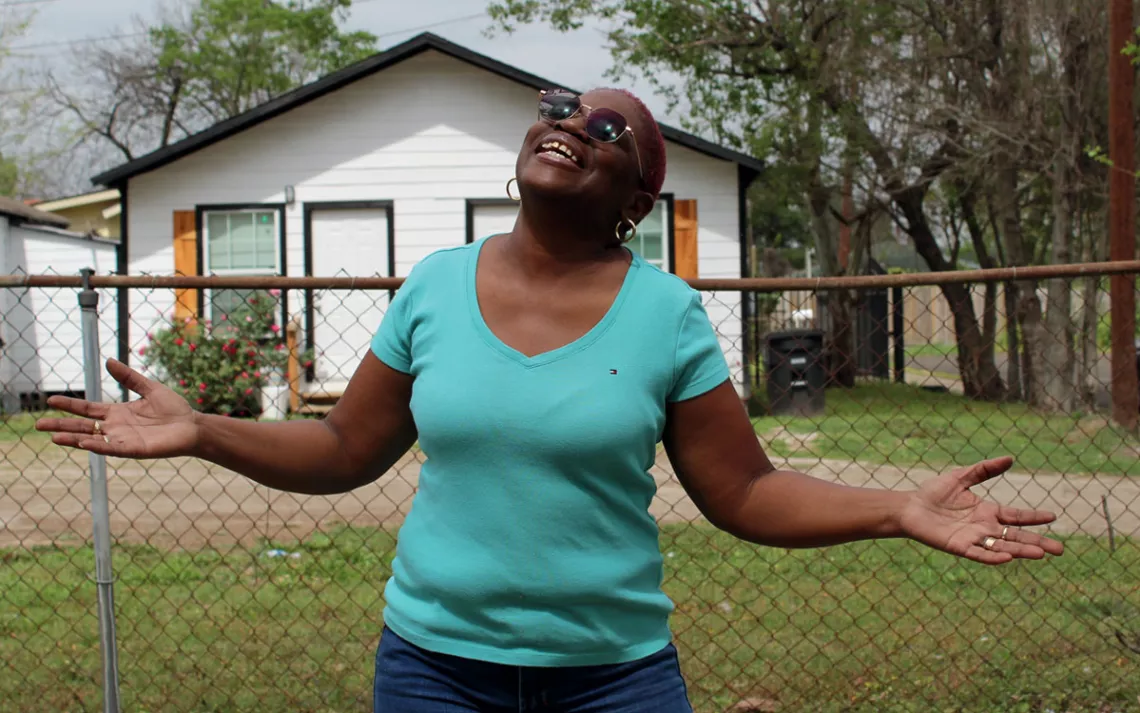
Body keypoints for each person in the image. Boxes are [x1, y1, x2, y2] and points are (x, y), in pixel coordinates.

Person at [37, 87, 1064, 712]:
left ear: (636, 199)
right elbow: (348, 447)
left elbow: (744, 489)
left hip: (614, 679)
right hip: (436, 672)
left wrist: (895, 506)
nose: (570, 122)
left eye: (606, 125)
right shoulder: (436, 285)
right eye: (558, 107)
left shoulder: (665, 314)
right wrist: (201, 429)